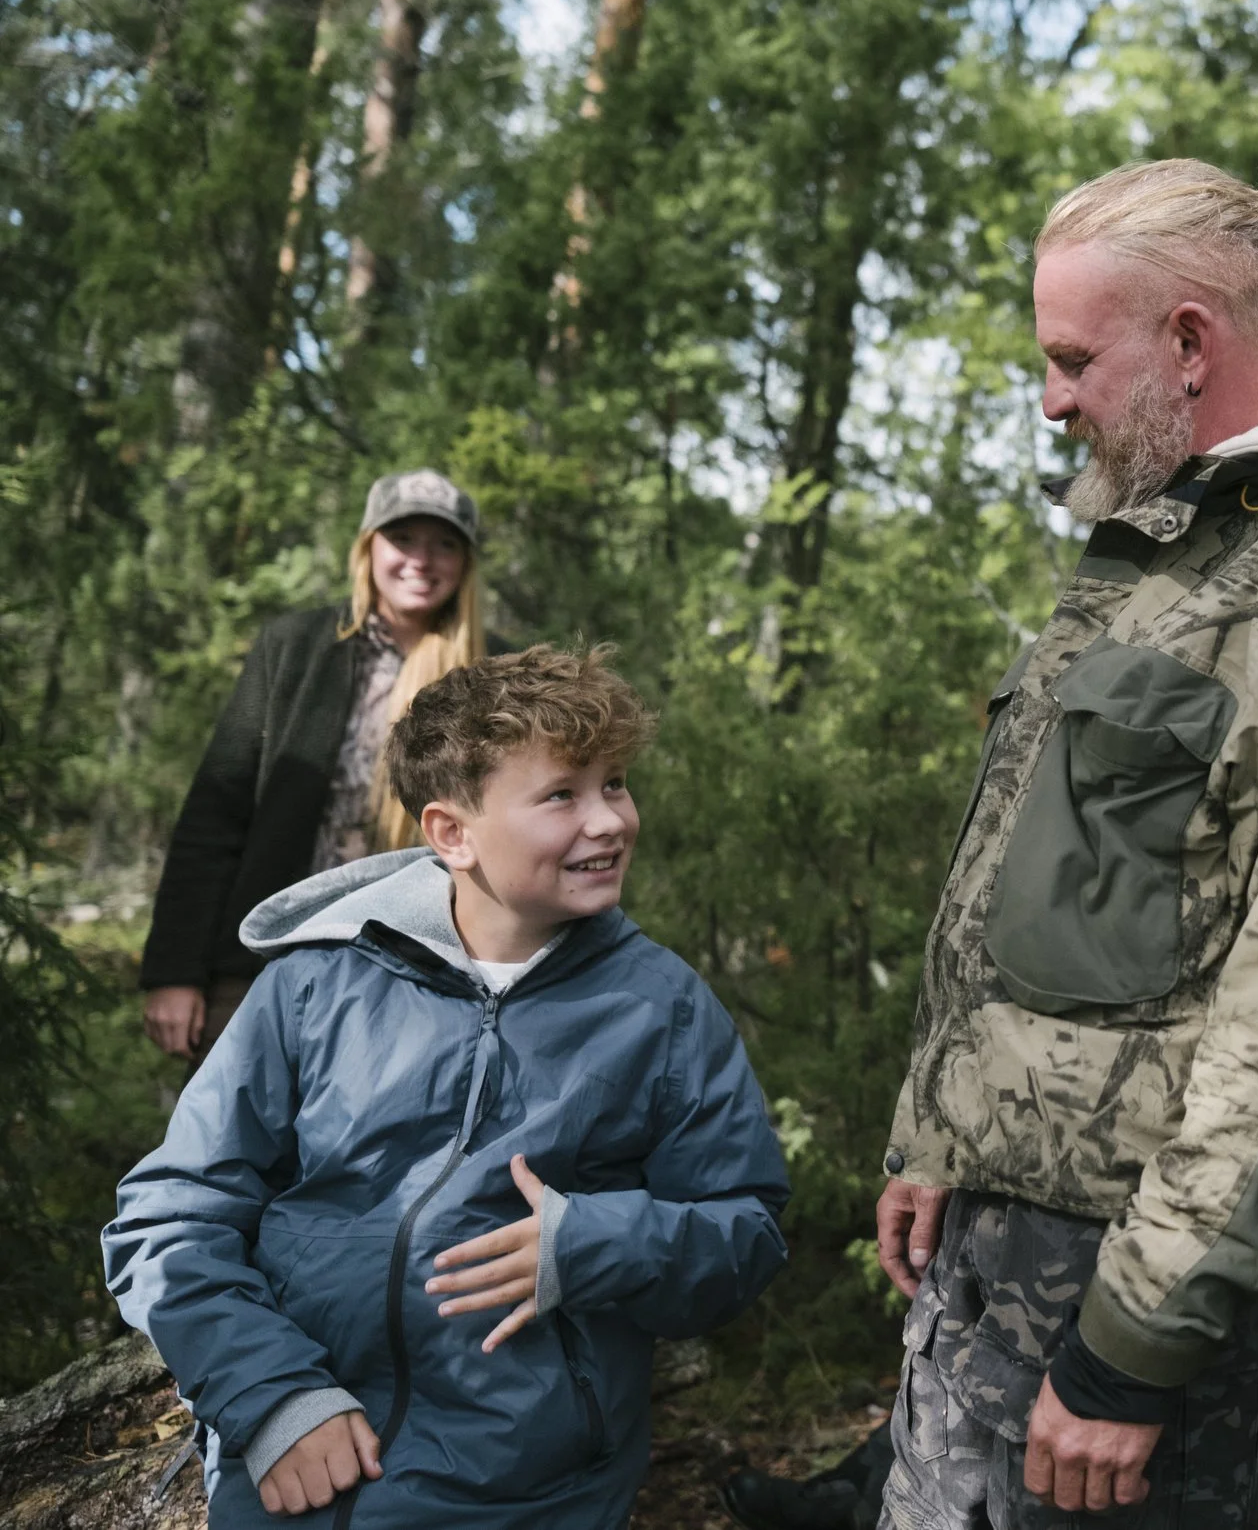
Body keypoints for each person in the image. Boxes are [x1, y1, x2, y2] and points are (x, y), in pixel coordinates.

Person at [858, 138, 1258, 1530]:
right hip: (999, 1243)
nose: (1049, 400)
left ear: (1191, 341)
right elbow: (1061, 899)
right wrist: (939, 1131)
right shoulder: (1162, 550)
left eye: (1074, 359)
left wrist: (1136, 1340)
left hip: (1131, 1273)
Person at [104, 645, 791, 1525]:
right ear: (450, 832)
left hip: (529, 1492)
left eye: (615, 783)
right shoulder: (319, 985)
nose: (610, 819)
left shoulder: (659, 1009)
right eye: (562, 794)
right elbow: (171, 1210)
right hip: (298, 1473)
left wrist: (596, 1242)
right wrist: (272, 1396)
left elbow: (748, 1226)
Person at [140, 468, 494, 1062]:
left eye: (445, 544)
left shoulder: (494, 672)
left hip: (428, 974)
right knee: (232, 1147)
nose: (422, 560)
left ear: (466, 561)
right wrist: (175, 970)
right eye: (402, 537)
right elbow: (215, 812)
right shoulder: (296, 649)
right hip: (268, 959)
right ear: (368, 548)